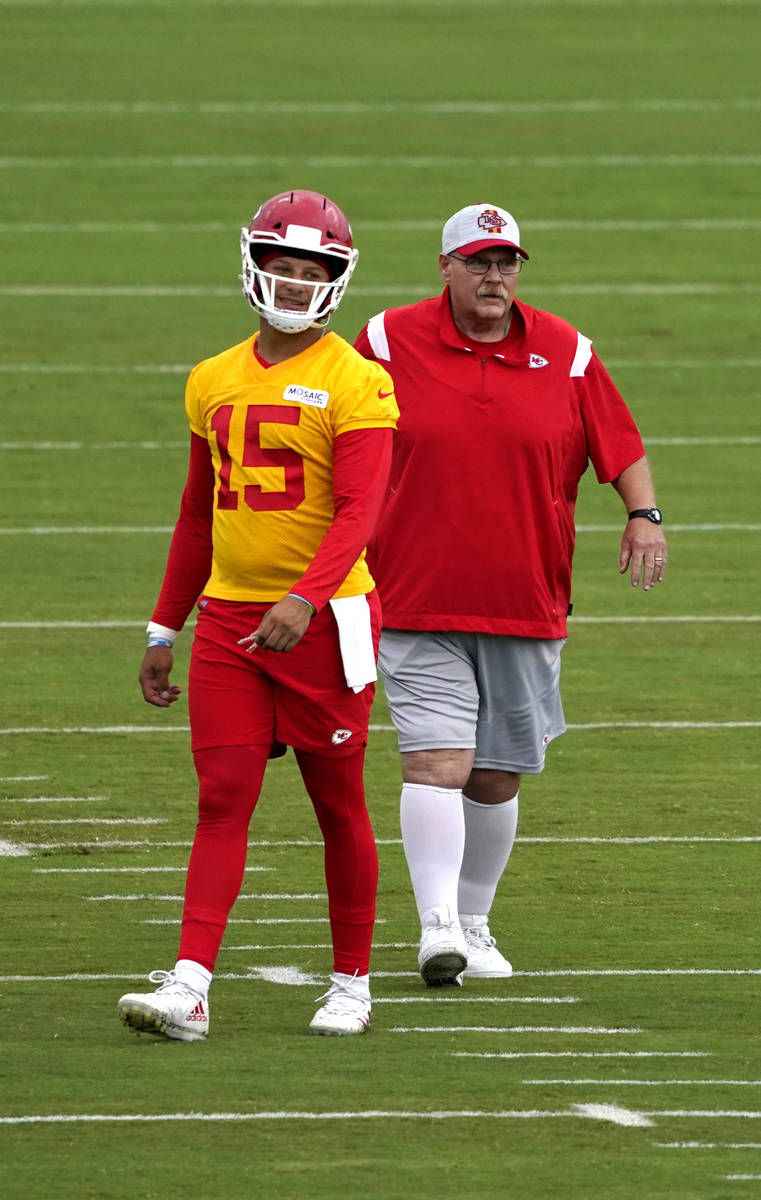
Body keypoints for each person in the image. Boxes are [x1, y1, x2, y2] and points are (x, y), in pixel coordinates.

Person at [354, 202, 667, 987]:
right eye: (478, 261)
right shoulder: (387, 339)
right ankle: (435, 929)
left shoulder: (563, 350)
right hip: (415, 593)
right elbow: (341, 433)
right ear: (446, 267)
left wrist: (642, 515)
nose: (494, 276)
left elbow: (619, 443)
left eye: (506, 262)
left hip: (525, 597)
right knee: (436, 762)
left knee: (495, 775)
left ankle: (474, 921)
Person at [117, 190, 398, 1040]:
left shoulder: (357, 380)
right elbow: (198, 514)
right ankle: (190, 986)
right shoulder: (212, 377)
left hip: (325, 620)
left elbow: (360, 510)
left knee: (336, 801)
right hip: (232, 627)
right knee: (222, 797)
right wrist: (165, 626)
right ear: (253, 267)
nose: (294, 283)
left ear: (337, 281)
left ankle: (352, 982)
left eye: (313, 271)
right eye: (282, 266)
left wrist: (304, 596)